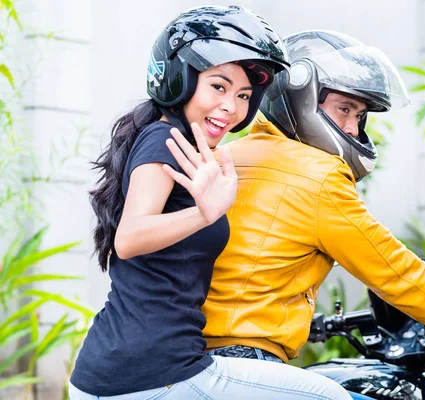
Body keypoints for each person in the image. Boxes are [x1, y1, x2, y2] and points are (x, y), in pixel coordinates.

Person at [69, 10, 353, 400]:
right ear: (180, 78)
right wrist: (206, 212)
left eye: (243, 96)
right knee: (332, 397)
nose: (231, 108)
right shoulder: (165, 139)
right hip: (153, 375)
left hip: (136, 369)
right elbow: (130, 237)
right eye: (218, 87)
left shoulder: (181, 144)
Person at [193, 30, 425, 367]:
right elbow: (391, 270)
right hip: (248, 356)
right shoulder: (319, 174)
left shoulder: (226, 155)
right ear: (302, 99)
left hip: (193, 354)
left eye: (359, 116)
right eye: (344, 108)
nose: (354, 129)